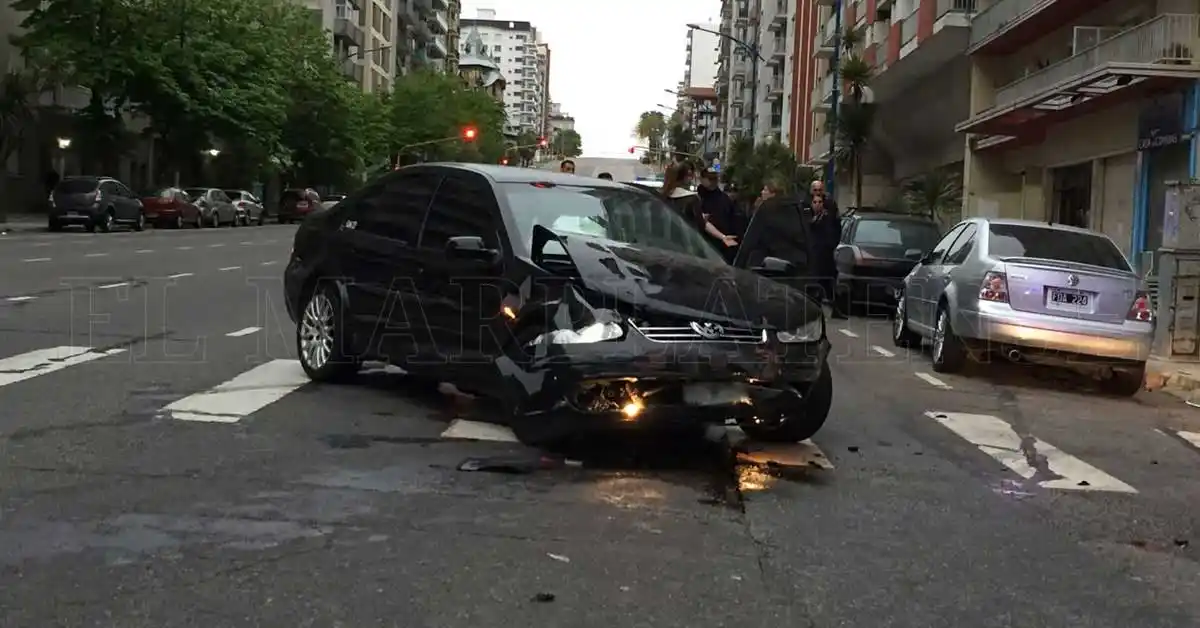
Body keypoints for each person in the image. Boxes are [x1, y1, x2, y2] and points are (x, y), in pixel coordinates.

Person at [734, 178, 816, 296]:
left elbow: (748, 242)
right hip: (798, 274)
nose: (762, 192)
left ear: (773, 193)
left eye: (765, 189)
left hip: (771, 275)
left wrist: (736, 271)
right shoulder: (797, 208)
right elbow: (808, 240)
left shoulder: (766, 209)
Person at [661, 162, 737, 249]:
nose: (713, 181)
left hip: (666, 242)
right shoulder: (692, 198)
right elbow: (702, 224)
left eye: (714, 178)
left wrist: (722, 236)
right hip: (689, 245)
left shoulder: (663, 195)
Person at [805, 184, 846, 318]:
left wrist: (833, 242)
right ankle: (813, 311)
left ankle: (836, 309)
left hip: (827, 250)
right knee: (814, 281)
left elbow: (836, 226)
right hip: (813, 251)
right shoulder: (805, 206)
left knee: (831, 280)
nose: (818, 194)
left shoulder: (830, 206)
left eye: (820, 191)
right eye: (815, 191)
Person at [696, 168, 744, 262]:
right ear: (702, 179)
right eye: (710, 179)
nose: (713, 182)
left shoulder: (724, 200)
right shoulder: (697, 197)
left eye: (714, 179)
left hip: (718, 246)